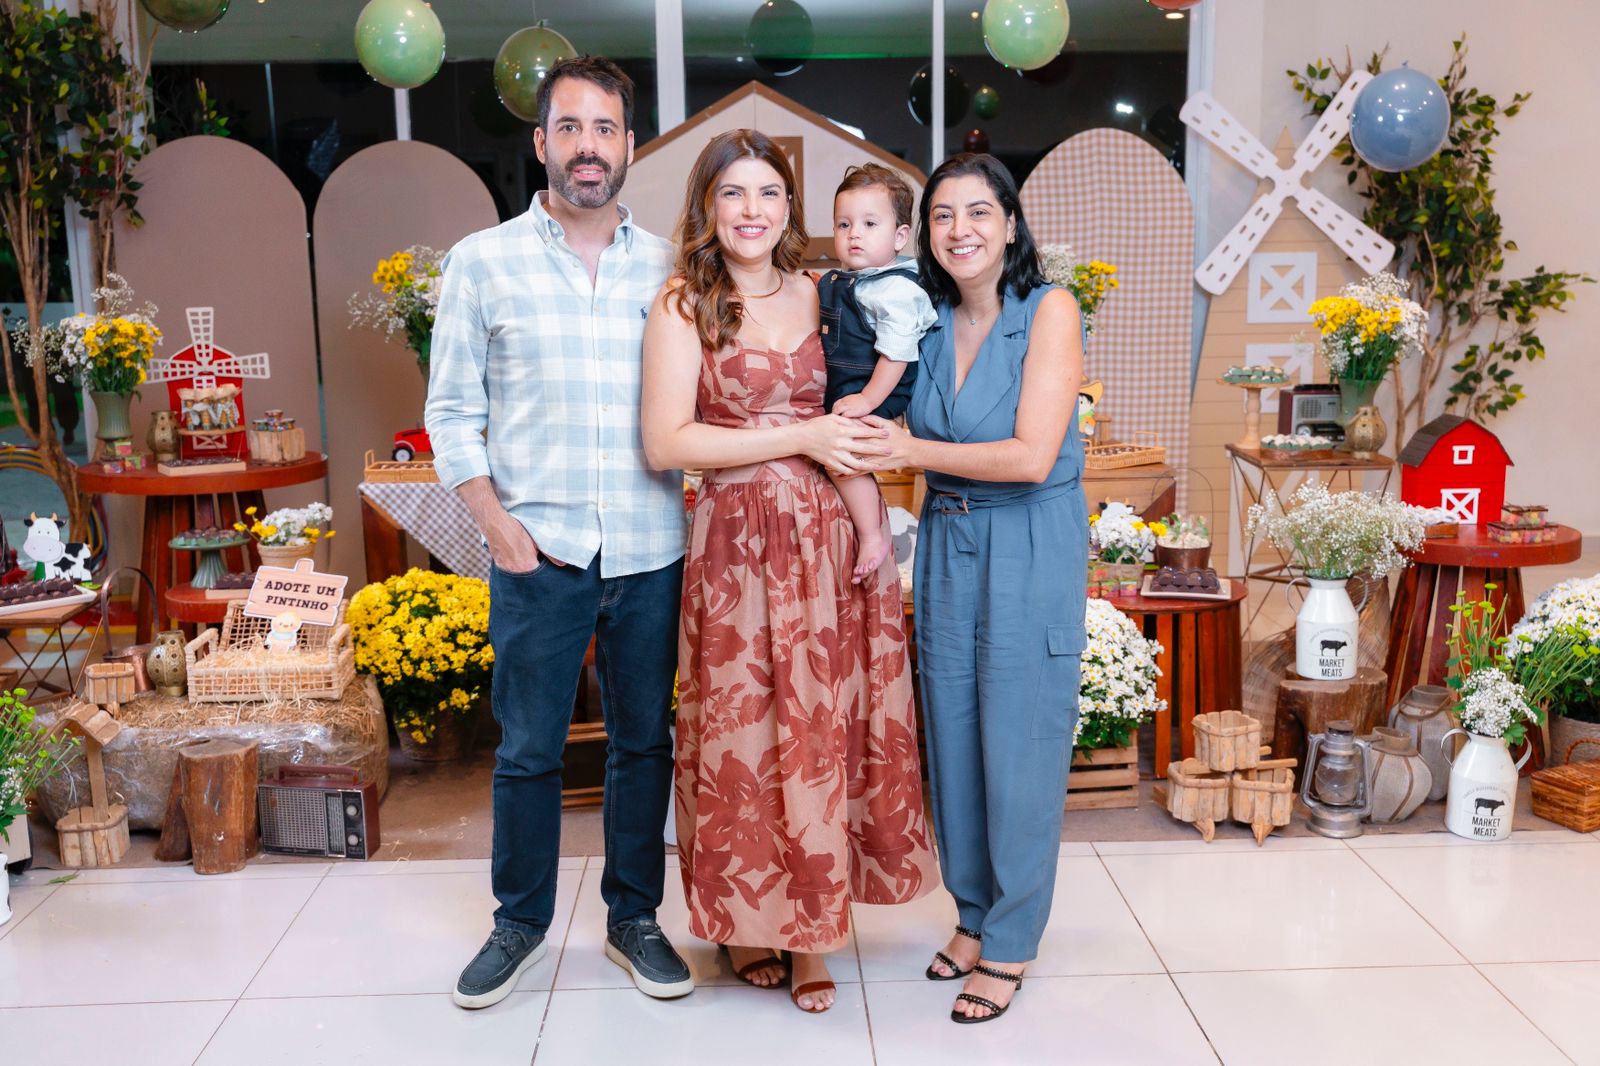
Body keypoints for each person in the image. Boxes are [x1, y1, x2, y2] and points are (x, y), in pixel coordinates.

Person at [640, 129, 938, 1015]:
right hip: (735, 546)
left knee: (821, 733)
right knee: (742, 736)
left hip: (828, 540)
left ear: (789, 208)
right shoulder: (684, 304)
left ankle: (814, 932)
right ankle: (745, 923)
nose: (752, 210)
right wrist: (802, 434)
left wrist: (871, 469)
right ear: (708, 206)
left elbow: (876, 388)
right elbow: (667, 442)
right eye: (733, 193)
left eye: (768, 193)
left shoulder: (826, 291)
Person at [426, 55, 695, 1010]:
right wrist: (497, 527)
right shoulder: (481, 261)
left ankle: (635, 918)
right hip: (536, 551)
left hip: (652, 547)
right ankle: (520, 923)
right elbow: (451, 411)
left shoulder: (672, 267)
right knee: (529, 749)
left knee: (643, 744)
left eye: (605, 129)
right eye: (570, 128)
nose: (589, 147)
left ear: (630, 146)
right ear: (541, 142)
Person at [863, 153, 1087, 1024]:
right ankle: (973, 913)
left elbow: (1031, 456)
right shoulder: (925, 322)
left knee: (1021, 742)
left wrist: (910, 452)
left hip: (1027, 539)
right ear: (925, 234)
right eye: (943, 216)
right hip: (950, 541)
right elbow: (873, 401)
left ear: (1010, 223)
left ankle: (1013, 939)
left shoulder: (1049, 310)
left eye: (979, 212)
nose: (960, 230)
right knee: (952, 736)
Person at [818, 163, 935, 582]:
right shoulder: (847, 280)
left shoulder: (897, 289)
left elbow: (896, 354)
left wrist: (869, 400)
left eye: (869, 224)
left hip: (879, 385)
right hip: (849, 383)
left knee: (843, 458)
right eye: (844, 224)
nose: (854, 234)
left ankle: (873, 534)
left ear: (900, 237)